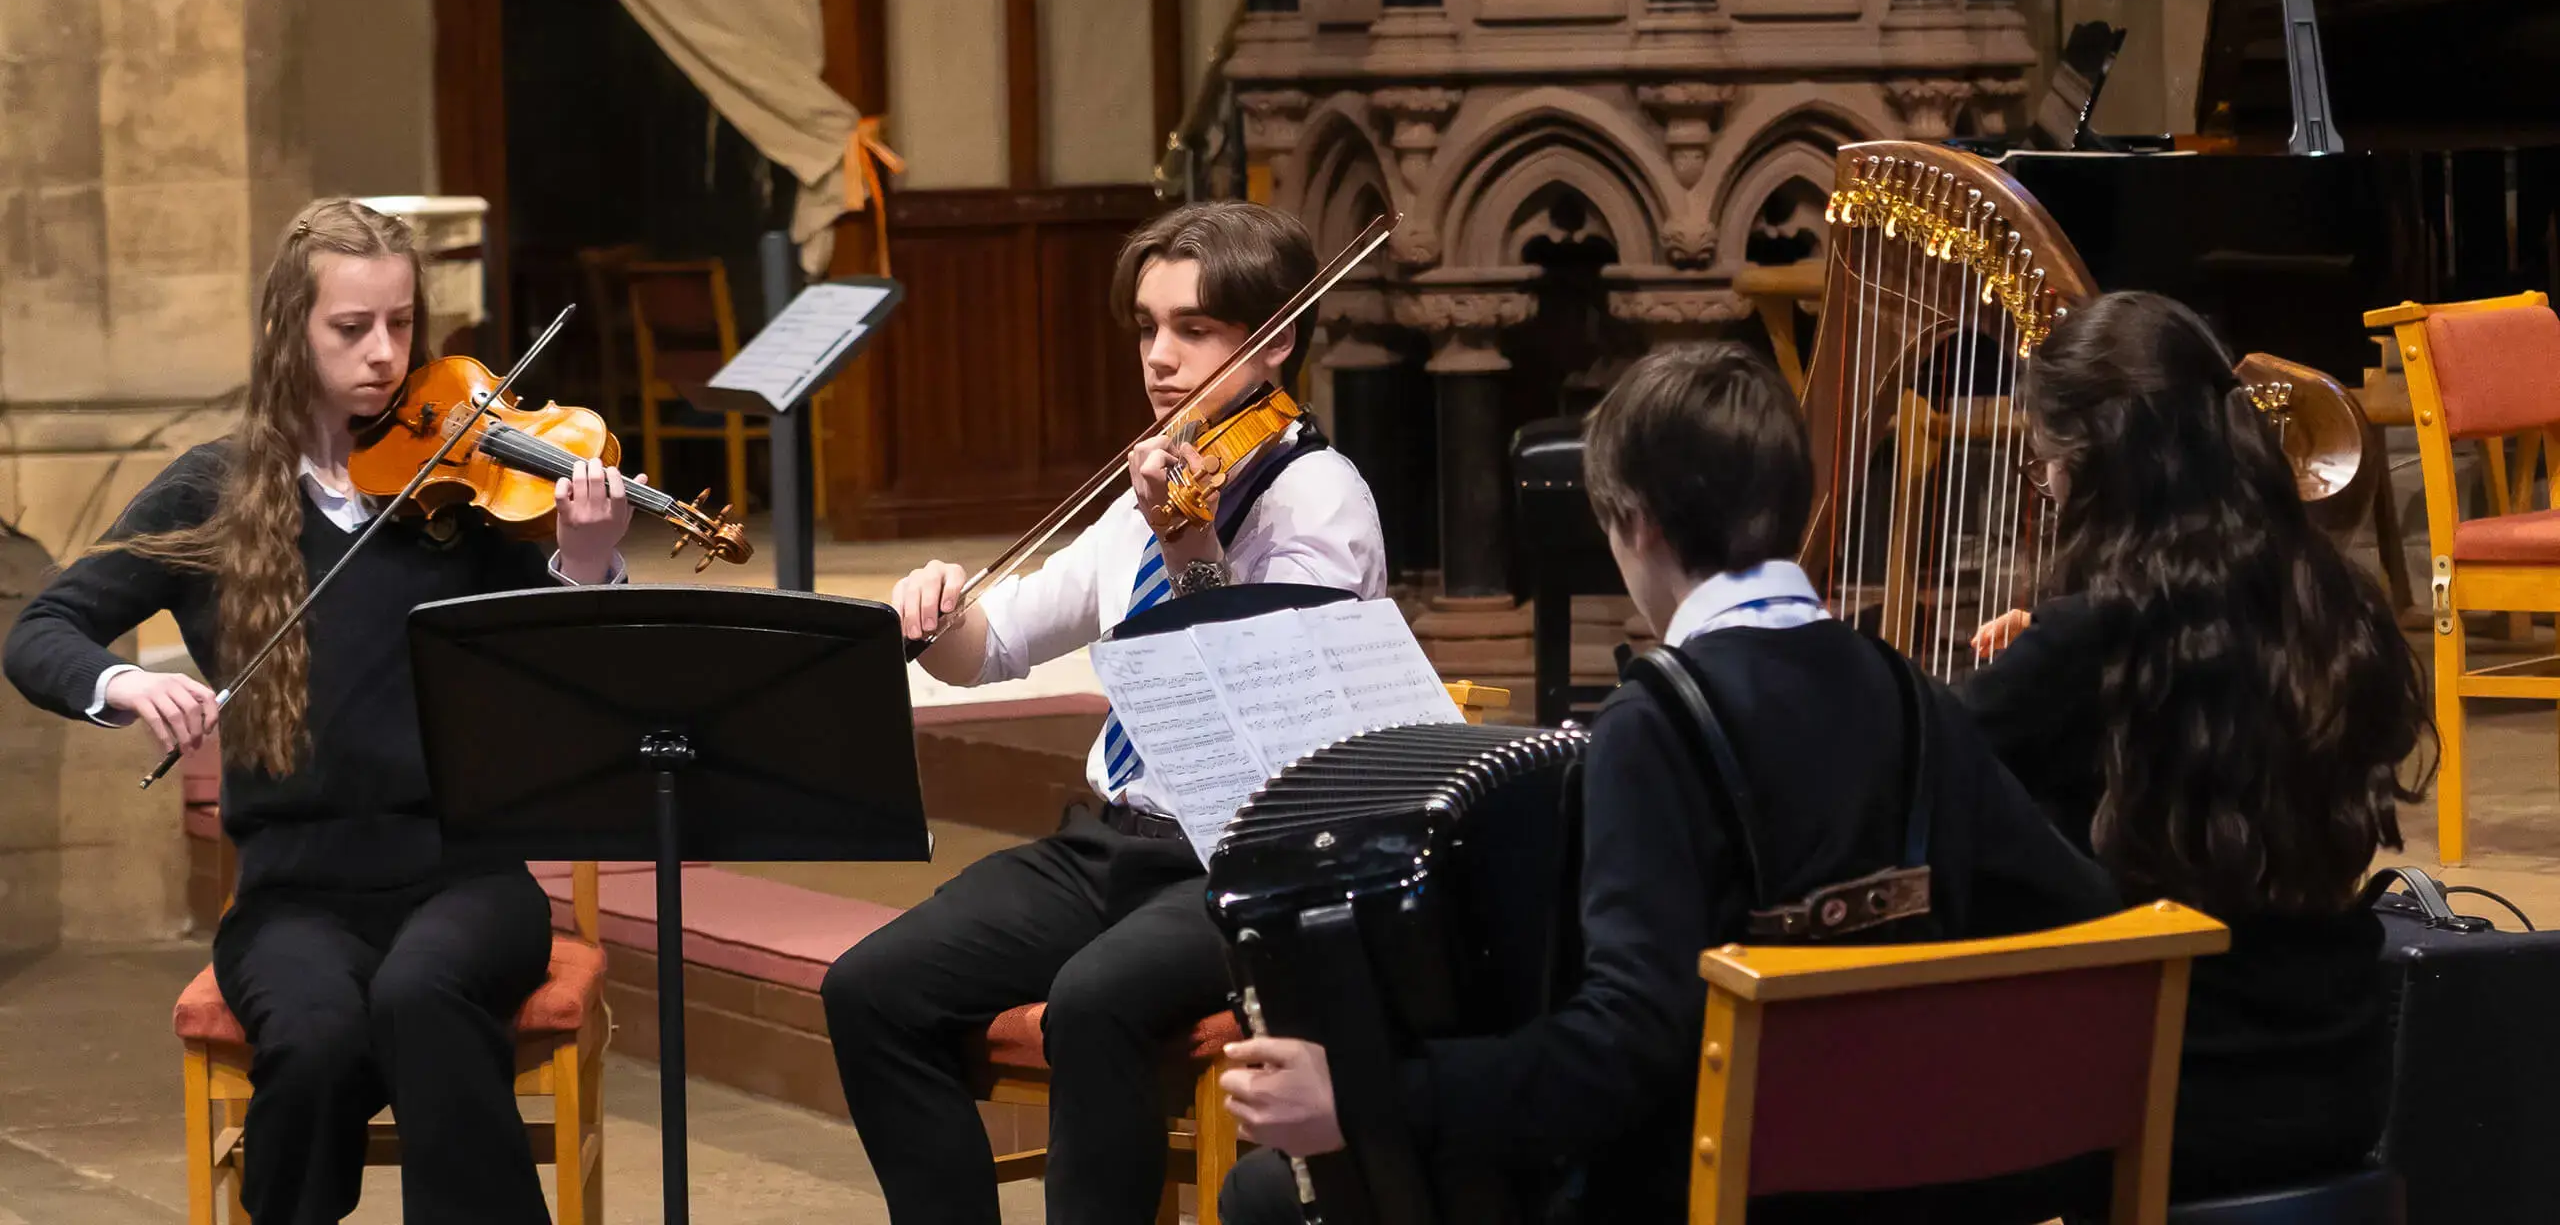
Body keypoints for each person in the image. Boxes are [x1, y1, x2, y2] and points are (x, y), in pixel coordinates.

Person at [1216, 342, 2120, 1224]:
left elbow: (1624, 1047)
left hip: (1718, 1188)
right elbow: (2076, 914)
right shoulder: (1910, 694)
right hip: (1920, 1178)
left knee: (1272, 1194)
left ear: (1636, 524)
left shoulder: (1649, 730)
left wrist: (1373, 1098)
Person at [3, 198, 638, 1225]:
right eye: (352, 329)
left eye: (401, 325)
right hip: (295, 893)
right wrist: (124, 682)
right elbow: (43, 632)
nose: (385, 355)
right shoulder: (212, 489)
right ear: (284, 333)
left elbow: (562, 674)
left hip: (465, 877)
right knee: (311, 1035)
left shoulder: (462, 483)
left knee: (422, 993)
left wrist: (591, 559)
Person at [819, 201, 1386, 1225]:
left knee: (1094, 998)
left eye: (1195, 329)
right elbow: (995, 644)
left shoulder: (1321, 500)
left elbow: (1260, 702)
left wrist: (1192, 548)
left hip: (1244, 859)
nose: (1161, 359)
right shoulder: (1149, 490)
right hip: (1111, 843)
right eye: (1146, 327)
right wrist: (936, 609)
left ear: (1276, 337)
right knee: (871, 985)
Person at [1962, 291, 2431, 1201]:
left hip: (2158, 1093)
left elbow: (1927, 763)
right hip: (2342, 1071)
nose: (2046, 486)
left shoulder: (2091, 639)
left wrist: (2048, 663)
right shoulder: (2332, 603)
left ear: (2097, 461)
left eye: (2046, 463)